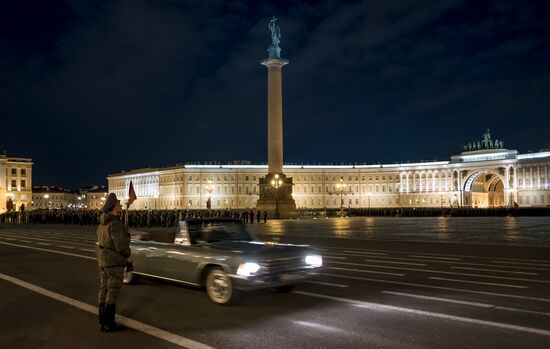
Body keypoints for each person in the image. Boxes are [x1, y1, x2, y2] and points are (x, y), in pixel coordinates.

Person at [96, 193, 131, 332]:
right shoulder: (115, 224)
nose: (121, 206)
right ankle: (109, 323)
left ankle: (102, 320)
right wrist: (128, 254)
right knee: (113, 291)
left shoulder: (102, 223)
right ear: (113, 207)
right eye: (118, 204)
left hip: (103, 259)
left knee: (103, 289)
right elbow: (121, 246)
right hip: (114, 260)